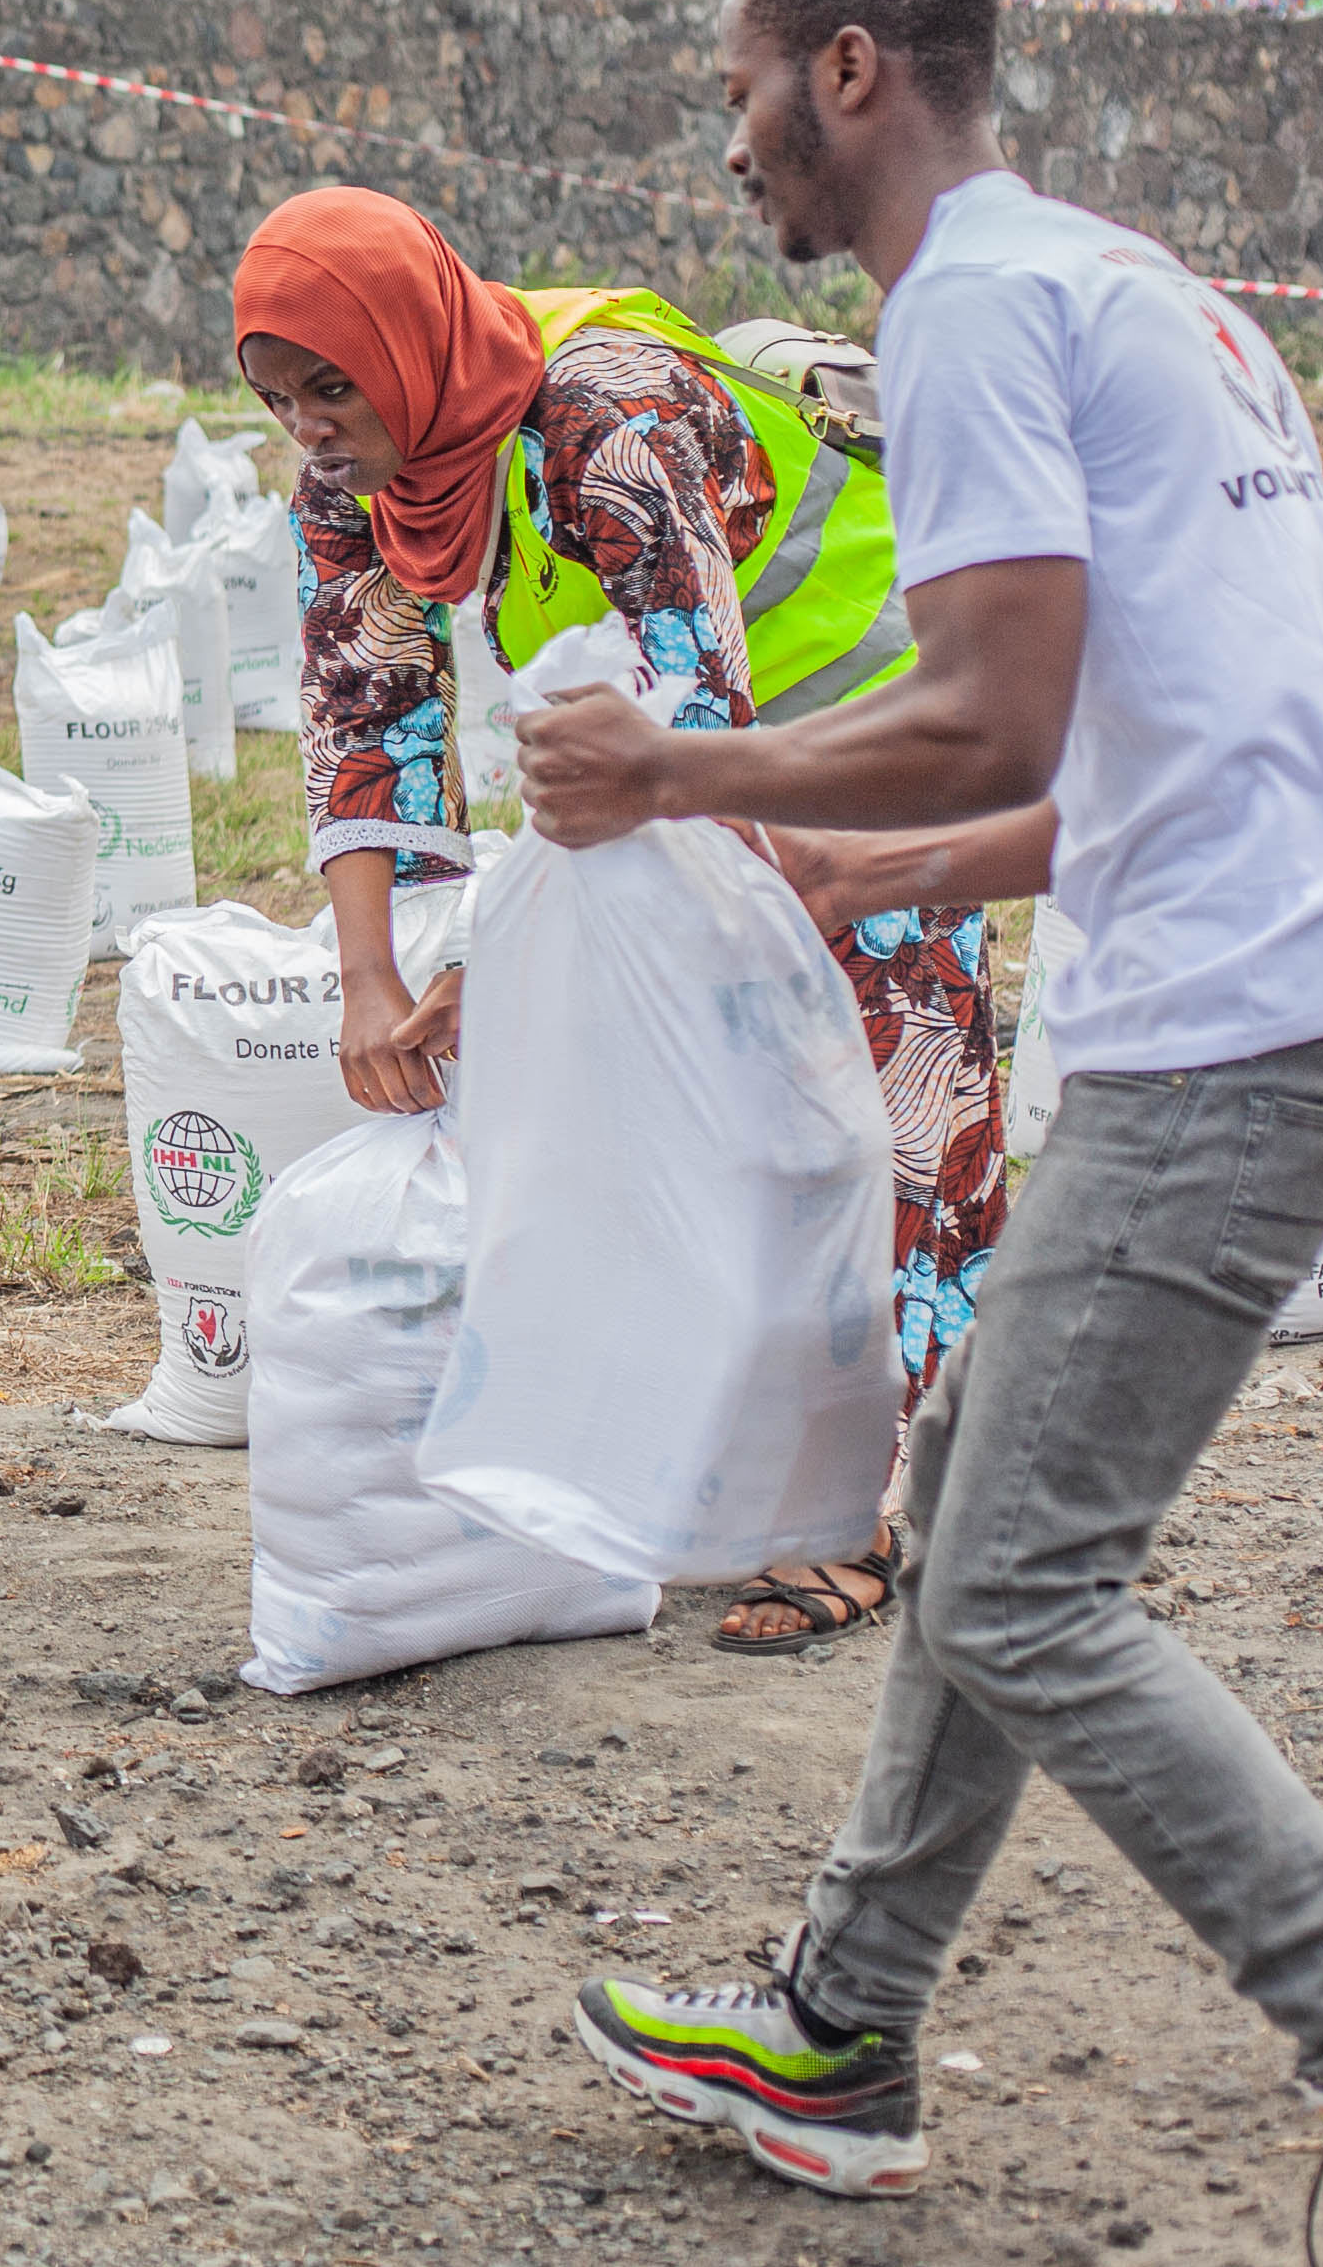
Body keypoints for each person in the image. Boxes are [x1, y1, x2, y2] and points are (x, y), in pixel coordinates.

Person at [528, 0, 1323, 2267]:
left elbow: (992, 703)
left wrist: (670, 763)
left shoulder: (969, 308)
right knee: (975, 1494)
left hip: (1243, 1015)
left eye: (742, 84)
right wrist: (893, 861)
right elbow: (1163, 727)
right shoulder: (1143, 291)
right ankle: (839, 2017)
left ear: (855, 75)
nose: (728, 142)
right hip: (1306, 946)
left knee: (1023, 1582)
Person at [230, 179, 997, 1652]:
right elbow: (363, 708)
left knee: (891, 1101)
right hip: (670, 744)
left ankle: (900, 1506)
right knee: (686, 1103)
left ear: (413, 336)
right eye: (281, 398)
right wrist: (374, 980)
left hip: (863, 715)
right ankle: (747, 1462)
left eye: (334, 384)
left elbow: (697, 710)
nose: (312, 425)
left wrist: (506, 965)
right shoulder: (364, 475)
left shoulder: (608, 415)